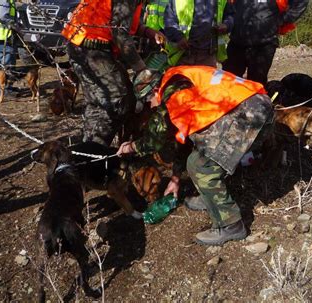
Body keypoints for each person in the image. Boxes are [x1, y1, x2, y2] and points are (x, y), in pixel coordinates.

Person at [117, 66, 274, 246]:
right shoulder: (177, 75)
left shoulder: (173, 95)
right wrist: (176, 178)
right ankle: (211, 197)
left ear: (154, 90)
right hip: (251, 105)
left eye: (148, 100)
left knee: (203, 168)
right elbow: (186, 142)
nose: (150, 105)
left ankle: (231, 225)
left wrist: (132, 146)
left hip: (248, 115)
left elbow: (155, 138)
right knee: (197, 160)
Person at [62, 0, 165, 146]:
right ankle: (97, 149)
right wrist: (141, 69)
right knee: (118, 100)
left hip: (82, 45)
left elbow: (120, 22)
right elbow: (119, 32)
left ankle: (87, 151)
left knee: (98, 102)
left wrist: (148, 32)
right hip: (91, 49)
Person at [223, 0, 308, 85]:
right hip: (237, 41)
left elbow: (300, 2)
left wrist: (282, 20)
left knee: (257, 84)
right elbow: (225, 5)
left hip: (264, 44)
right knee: (228, 80)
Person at [163, 0, 235, 67]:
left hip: (208, 56)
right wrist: (179, 37)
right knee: (182, 80)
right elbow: (169, 21)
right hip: (183, 55)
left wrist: (226, 25)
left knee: (205, 80)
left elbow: (230, 15)